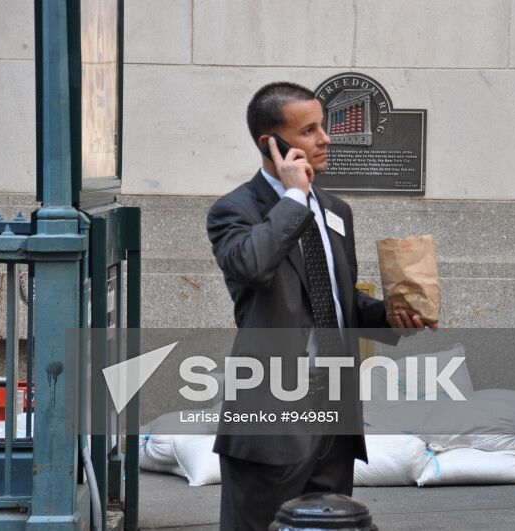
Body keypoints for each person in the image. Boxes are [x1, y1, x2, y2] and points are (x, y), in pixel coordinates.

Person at [206, 81, 435, 531]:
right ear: (270, 144)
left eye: (323, 126)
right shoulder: (235, 210)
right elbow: (252, 266)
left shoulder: (336, 210)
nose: (325, 139)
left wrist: (390, 316)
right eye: (308, 131)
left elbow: (338, 300)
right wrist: (294, 197)